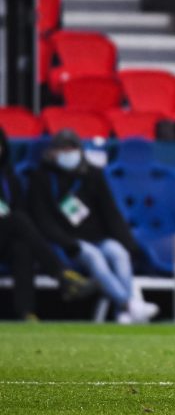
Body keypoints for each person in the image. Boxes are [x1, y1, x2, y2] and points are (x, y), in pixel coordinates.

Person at [28, 130, 159, 324]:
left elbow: (110, 212)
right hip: (68, 242)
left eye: (71, 149)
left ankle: (124, 312)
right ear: (52, 152)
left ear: (80, 151)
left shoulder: (92, 175)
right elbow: (43, 220)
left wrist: (128, 243)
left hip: (98, 237)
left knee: (119, 253)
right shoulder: (41, 178)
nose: (67, 154)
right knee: (94, 257)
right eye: (62, 149)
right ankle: (128, 304)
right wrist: (68, 243)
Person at [0, 128, 96, 320]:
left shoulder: (8, 178)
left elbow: (18, 207)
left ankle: (26, 313)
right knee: (18, 220)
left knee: (23, 246)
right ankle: (61, 274)